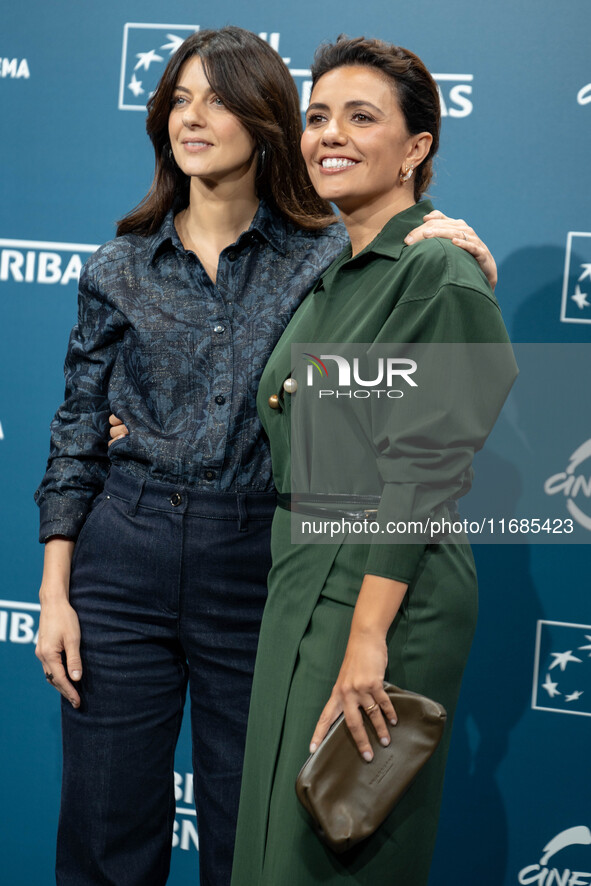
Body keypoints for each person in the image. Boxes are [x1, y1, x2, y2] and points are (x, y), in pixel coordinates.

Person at [34, 26, 498, 886]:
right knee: (102, 833)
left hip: (258, 556)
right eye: (179, 98)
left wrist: (458, 250)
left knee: (248, 832)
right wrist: (55, 591)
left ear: (264, 121)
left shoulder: (328, 257)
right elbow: (74, 429)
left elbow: (417, 366)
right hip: (122, 554)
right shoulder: (118, 266)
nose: (192, 117)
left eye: (217, 99)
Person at [230, 36, 517, 886]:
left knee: (330, 847)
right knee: (274, 845)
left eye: (361, 117)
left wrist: (366, 638)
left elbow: (422, 469)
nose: (329, 135)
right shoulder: (338, 271)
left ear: (416, 149)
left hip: (384, 586)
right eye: (318, 117)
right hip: (302, 575)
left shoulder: (436, 268)